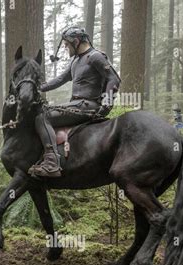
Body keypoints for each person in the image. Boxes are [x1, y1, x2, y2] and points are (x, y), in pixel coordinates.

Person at [28, 27, 121, 178]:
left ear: (76, 42)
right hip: (77, 105)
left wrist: (107, 104)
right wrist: (37, 87)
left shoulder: (95, 57)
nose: (65, 48)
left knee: (42, 116)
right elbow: (59, 80)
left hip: (89, 105)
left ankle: (51, 163)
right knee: (42, 113)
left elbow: (114, 79)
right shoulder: (75, 61)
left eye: (66, 44)